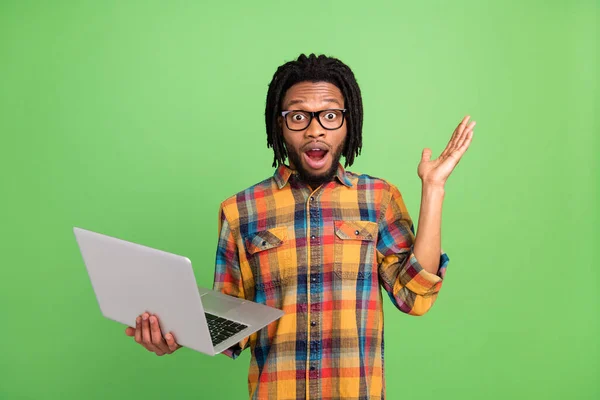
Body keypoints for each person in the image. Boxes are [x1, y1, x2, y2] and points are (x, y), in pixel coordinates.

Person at [125, 53, 475, 399]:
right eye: (297, 116)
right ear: (279, 124)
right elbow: (231, 329)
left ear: (347, 123)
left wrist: (434, 189)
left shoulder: (379, 199)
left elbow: (415, 297)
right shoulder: (240, 211)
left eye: (330, 115)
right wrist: (170, 333)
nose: (315, 129)